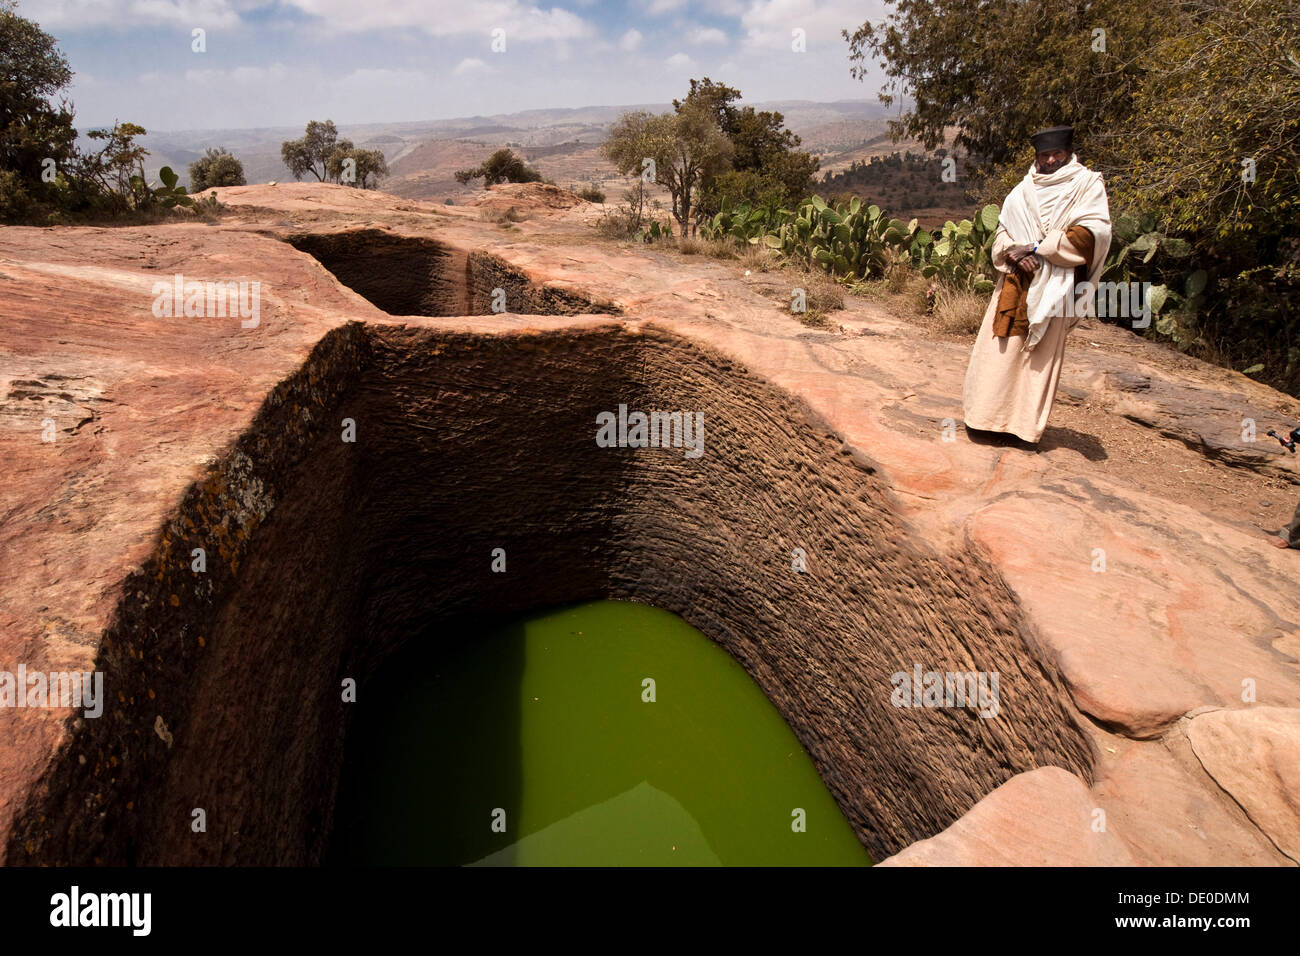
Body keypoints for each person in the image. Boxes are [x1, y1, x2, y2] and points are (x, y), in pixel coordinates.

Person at [963, 125, 1112, 445]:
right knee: (1000, 353)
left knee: (1038, 359)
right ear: (1037, 156)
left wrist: (1036, 248)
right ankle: (984, 419)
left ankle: (1021, 428)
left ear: (1069, 152)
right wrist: (1014, 256)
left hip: (1055, 286)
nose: (1051, 159)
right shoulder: (1022, 191)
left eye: (1057, 153)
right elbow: (1001, 235)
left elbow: (1091, 236)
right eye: (1044, 154)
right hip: (1015, 282)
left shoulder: (1086, 186)